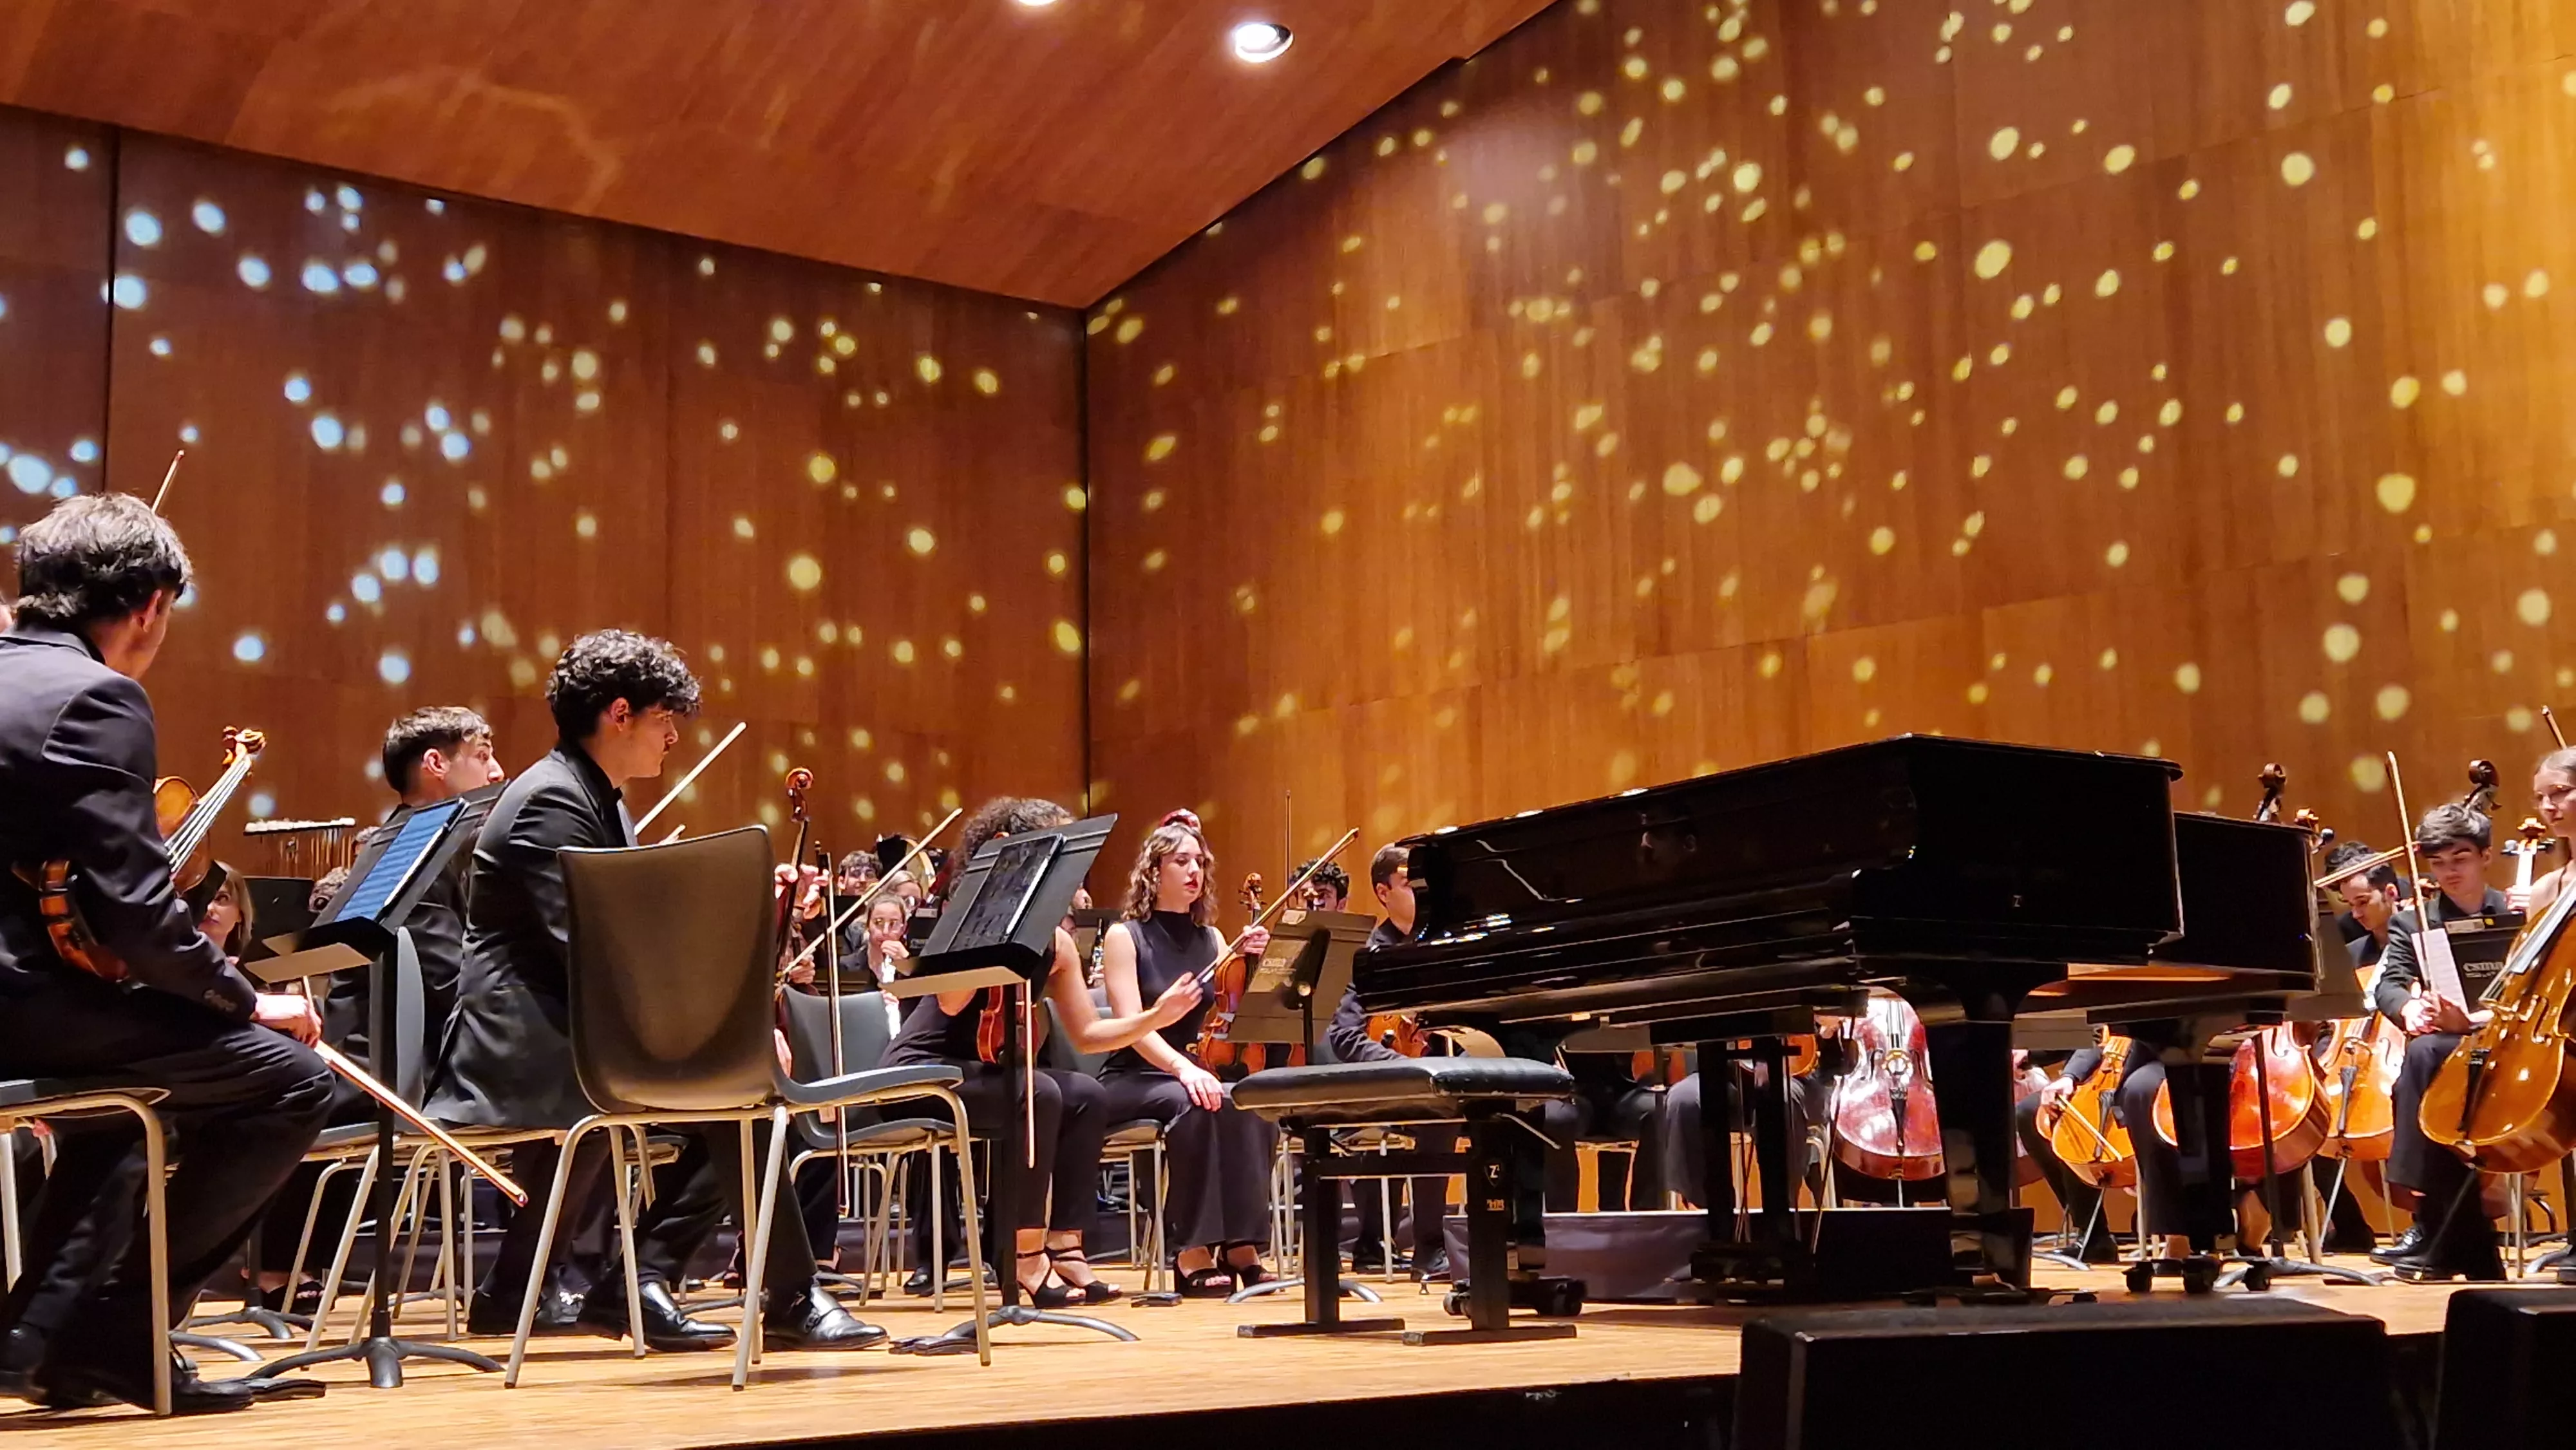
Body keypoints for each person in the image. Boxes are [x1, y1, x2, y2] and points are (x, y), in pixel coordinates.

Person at [426, 630, 883, 1350]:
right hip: (529, 1044)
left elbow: (634, 938)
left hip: (575, 1030)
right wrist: (722, 1031)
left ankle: (570, 1287)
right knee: (743, 1093)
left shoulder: (593, 797)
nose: (673, 736)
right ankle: (772, 1294)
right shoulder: (552, 801)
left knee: (738, 1090)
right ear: (620, 714)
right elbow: (593, 949)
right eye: (664, 718)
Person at [0, 492, 331, 1413]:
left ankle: (39, 1340)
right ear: (150, 606)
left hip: (31, 997)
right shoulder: (97, 697)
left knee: (124, 1101)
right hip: (23, 1008)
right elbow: (141, 919)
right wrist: (244, 998)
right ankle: (124, 1331)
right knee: (291, 1081)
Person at [885, 796, 1204, 1303]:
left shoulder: (1056, 943)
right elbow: (951, 1001)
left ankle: (1066, 1246)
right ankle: (1024, 1255)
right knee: (1039, 1093)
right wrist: (995, 918)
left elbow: (1088, 1034)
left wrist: (1153, 1018)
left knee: (1086, 1094)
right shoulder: (971, 917)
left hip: (983, 1073)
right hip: (922, 1070)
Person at [253, 706, 504, 1312]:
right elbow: (444, 975)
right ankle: (530, 1283)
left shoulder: (413, 844)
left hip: (389, 1038)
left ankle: (530, 1281)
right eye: (483, 756)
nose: (498, 771)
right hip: (388, 1047)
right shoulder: (421, 849)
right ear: (436, 764)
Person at [1095, 811, 1276, 1295]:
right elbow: (1131, 1027)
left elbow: (1232, 1012)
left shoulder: (1213, 938)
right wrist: (1181, 1067)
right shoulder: (1124, 936)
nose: (1194, 870)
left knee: (1251, 1102)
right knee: (1197, 1106)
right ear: (1153, 871)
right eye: (1181, 861)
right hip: (1135, 1073)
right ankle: (1191, 1249)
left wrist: (1254, 961)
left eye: (1199, 862)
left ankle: (1242, 1246)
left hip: (1197, 1069)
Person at [2373, 802, 2510, 1280]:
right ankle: (2471, 1246)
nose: (2449, 872)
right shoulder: (2413, 922)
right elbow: (2390, 984)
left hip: (2513, 1044)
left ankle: (2432, 1223)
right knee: (2426, 1055)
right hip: (2450, 1050)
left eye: (2461, 858)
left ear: (2486, 856)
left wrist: (2473, 1019)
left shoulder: (2518, 912)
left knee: (2424, 1059)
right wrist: (2409, 1009)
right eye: (2438, 862)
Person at [1324, 844, 1452, 1277]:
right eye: (1408, 884)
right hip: (1384, 1083)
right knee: (1437, 1116)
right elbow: (1345, 1036)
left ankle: (1511, 1243)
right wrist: (1404, 1065)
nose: (1421, 892)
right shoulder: (1366, 958)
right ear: (1383, 893)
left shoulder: (1443, 949)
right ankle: (1427, 1247)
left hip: (1442, 1078)